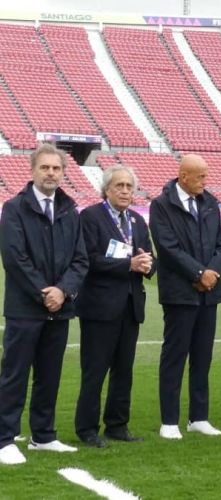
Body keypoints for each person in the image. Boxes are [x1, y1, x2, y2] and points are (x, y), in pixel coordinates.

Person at [0, 143, 89, 465]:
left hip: (59, 308)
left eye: (56, 168)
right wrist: (44, 292)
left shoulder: (69, 210)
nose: (51, 173)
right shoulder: (14, 208)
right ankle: (4, 439)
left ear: (64, 172)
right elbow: (14, 257)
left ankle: (43, 436)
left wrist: (62, 292)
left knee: (49, 375)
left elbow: (80, 260)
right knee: (15, 375)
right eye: (45, 167)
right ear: (33, 170)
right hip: (25, 309)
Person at [149, 154, 221, 440]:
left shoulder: (209, 202)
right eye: (200, 177)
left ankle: (199, 417)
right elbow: (168, 248)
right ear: (183, 176)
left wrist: (212, 274)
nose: (205, 182)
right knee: (175, 356)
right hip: (180, 294)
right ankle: (169, 420)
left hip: (209, 293)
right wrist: (198, 274)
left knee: (202, 357)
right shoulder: (161, 205)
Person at [74, 165, 155, 448]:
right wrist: (128, 264)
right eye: (119, 186)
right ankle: (86, 428)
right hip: (99, 307)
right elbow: (88, 259)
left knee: (124, 370)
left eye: (129, 187)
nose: (124, 191)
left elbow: (149, 257)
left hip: (130, 306)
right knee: (95, 370)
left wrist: (147, 265)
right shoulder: (91, 217)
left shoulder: (136, 220)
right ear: (106, 189)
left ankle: (117, 425)